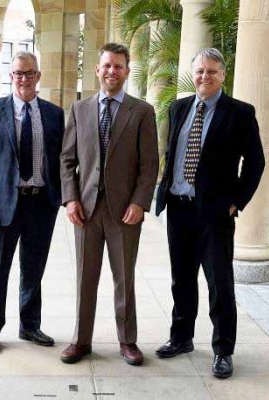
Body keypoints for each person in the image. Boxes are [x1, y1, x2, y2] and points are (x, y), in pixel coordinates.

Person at [155, 48, 265, 378]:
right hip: (178, 208)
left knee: (220, 282)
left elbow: (256, 162)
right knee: (182, 279)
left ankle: (222, 349)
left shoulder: (240, 112)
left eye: (212, 71)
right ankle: (181, 337)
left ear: (223, 75)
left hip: (215, 213)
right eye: (200, 71)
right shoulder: (179, 107)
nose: (205, 76)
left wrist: (237, 201)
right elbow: (172, 152)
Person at [60, 43, 159, 366]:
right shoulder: (80, 109)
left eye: (118, 66)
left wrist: (140, 203)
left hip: (124, 212)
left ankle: (127, 341)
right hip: (86, 210)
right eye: (106, 65)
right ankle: (81, 340)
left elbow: (149, 165)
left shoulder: (142, 111)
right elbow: (67, 159)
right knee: (84, 277)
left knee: (124, 279)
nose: (112, 71)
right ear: (97, 70)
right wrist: (71, 198)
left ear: (127, 72)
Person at [0, 51, 65, 355]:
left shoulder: (54, 114)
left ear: (38, 76)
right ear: (10, 76)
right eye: (18, 73)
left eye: (29, 73)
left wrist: (63, 197)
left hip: (41, 203)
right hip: (1, 206)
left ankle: (30, 325)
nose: (23, 78)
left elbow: (62, 160)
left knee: (33, 268)